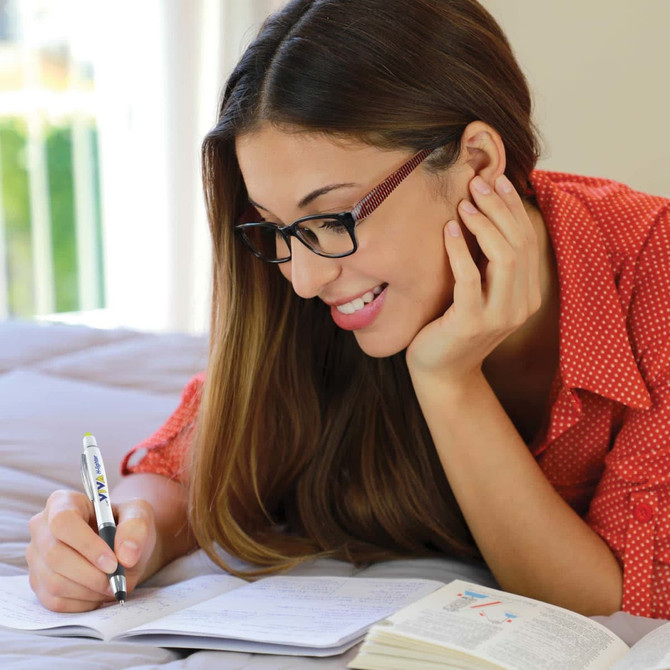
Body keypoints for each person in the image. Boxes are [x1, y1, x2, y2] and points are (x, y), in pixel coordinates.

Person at [27, 0, 670, 619]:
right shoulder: (313, 281)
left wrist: (448, 381)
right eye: (277, 229)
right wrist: (128, 533)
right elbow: (198, 459)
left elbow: (611, 609)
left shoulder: (654, 274)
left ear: (477, 161)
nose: (305, 280)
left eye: (332, 216)